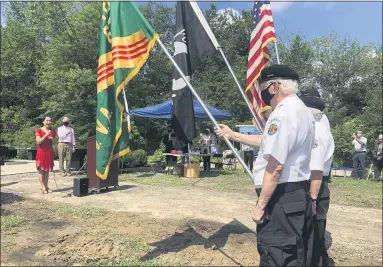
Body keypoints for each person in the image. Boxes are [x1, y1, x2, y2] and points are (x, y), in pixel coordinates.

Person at [215, 64, 314, 266]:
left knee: (276, 254)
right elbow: (268, 141)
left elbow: (275, 167)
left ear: (274, 86)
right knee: (293, 253)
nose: (261, 92)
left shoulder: (282, 113)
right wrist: (232, 134)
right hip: (295, 192)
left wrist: (260, 206)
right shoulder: (301, 110)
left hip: (281, 196)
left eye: (263, 87)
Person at [300, 88, 335, 267]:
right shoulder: (320, 122)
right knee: (314, 231)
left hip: (316, 183)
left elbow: (316, 168)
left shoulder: (318, 127)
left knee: (314, 231)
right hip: (318, 181)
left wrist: (312, 197)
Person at [35, 115, 56, 194]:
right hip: (41, 152)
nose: (49, 122)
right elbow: (38, 142)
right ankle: (43, 187)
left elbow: (54, 142)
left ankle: (46, 186)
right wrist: (46, 135)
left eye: (50, 120)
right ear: (43, 122)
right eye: (47, 120)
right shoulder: (39, 130)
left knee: (47, 171)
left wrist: (52, 139)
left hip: (49, 151)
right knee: (41, 170)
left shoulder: (53, 131)